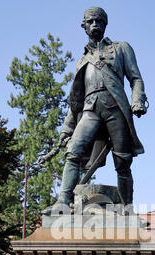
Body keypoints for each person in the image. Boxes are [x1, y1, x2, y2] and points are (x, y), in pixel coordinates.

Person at [43, 6, 148, 214]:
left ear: (105, 24)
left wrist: (137, 100)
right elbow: (75, 102)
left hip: (115, 108)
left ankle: (127, 209)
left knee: (122, 161)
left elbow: (135, 79)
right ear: (83, 26)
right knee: (73, 152)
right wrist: (66, 129)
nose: (95, 25)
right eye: (90, 21)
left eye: (99, 21)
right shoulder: (81, 62)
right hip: (89, 110)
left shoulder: (121, 48)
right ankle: (63, 202)